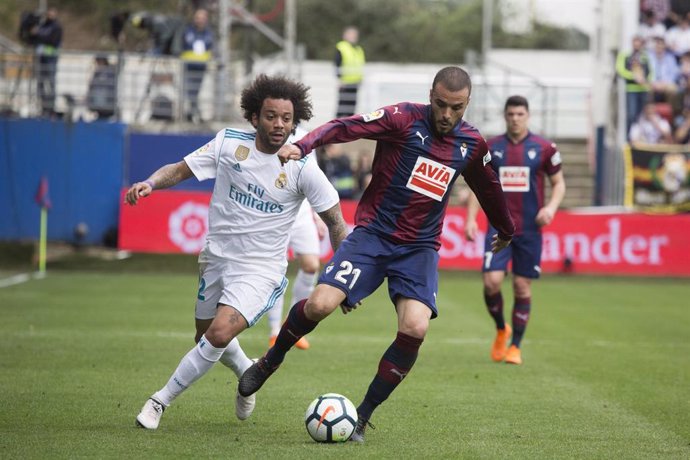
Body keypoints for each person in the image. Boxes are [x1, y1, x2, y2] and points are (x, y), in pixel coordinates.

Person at [238, 66, 515, 442]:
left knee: (416, 327)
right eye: (440, 104)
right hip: (373, 237)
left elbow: (489, 187)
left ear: (467, 104)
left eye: (457, 108)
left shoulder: (471, 144)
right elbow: (343, 127)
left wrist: (506, 229)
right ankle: (270, 361)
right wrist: (302, 146)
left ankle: (362, 416)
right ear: (429, 95)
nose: (447, 115)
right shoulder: (401, 118)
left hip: (418, 248)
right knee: (320, 304)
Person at [127, 74, 348, 430]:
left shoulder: (303, 165)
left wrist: (343, 281)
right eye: (272, 116)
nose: (279, 125)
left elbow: (337, 223)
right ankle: (248, 369)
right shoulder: (228, 144)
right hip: (215, 257)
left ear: (295, 121)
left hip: (261, 269)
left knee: (217, 334)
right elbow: (180, 169)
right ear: (254, 117)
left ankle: (158, 402)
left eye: (287, 119)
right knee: (205, 337)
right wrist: (151, 183)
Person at [464, 95, 566, 366]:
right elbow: (479, 185)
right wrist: (471, 219)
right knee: (491, 282)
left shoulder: (544, 148)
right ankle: (501, 328)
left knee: (522, 287)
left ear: (527, 116)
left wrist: (551, 209)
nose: (515, 119)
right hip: (499, 229)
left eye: (520, 114)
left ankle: (515, 347)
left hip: (530, 229)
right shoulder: (492, 147)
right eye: (511, 114)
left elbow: (559, 184)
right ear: (505, 116)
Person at [266, 200, 325, 350]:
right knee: (276, 269)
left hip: (302, 212)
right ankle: (275, 331)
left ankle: (291, 324)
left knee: (311, 266)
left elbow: (312, 183)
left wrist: (318, 217)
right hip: (275, 211)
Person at [178, 8, 213, 123]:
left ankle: (192, 113)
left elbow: (212, 49)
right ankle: (194, 113)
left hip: (201, 68)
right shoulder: (188, 31)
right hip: (188, 67)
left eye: (203, 18)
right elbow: (180, 46)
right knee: (190, 92)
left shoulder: (209, 33)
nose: (200, 20)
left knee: (195, 92)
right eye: (198, 18)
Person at [29, 6, 62, 117]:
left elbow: (53, 40)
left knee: (51, 83)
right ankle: (42, 105)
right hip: (41, 58)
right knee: (41, 83)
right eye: (48, 13)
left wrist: (38, 34)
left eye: (52, 13)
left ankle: (51, 106)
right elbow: (33, 40)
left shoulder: (57, 27)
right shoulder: (43, 25)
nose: (50, 16)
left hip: (51, 59)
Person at [616, 35, 653, 135]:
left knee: (641, 116)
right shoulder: (625, 55)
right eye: (635, 41)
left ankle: (639, 137)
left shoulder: (644, 55)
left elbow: (650, 71)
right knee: (631, 115)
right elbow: (620, 70)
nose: (637, 44)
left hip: (643, 89)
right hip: (631, 89)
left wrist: (646, 80)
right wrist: (634, 76)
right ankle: (629, 139)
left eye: (639, 42)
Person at [334, 26, 365, 118]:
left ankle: (349, 130)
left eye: (354, 35)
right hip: (345, 83)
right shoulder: (341, 47)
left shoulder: (358, 49)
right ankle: (336, 129)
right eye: (351, 34)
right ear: (345, 35)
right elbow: (337, 64)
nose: (353, 36)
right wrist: (340, 79)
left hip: (355, 83)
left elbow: (360, 66)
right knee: (342, 108)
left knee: (352, 109)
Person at [86, 55, 118, 120]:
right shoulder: (98, 71)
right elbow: (93, 84)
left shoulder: (109, 71)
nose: (97, 64)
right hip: (98, 98)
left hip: (106, 98)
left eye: (98, 62)